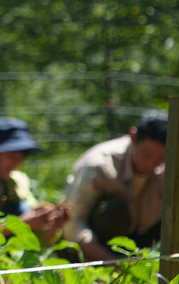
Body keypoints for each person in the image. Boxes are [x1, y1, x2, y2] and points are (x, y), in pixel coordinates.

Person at [60, 109, 168, 261]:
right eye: (146, 154)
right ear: (133, 136)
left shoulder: (169, 167)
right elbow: (74, 225)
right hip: (97, 243)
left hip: (140, 239)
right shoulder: (98, 165)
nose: (150, 165)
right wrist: (113, 263)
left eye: (160, 159)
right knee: (113, 212)